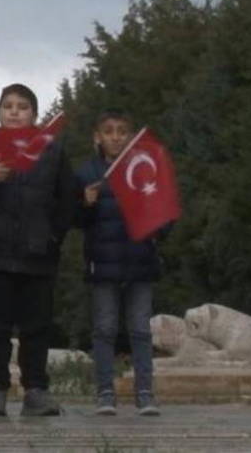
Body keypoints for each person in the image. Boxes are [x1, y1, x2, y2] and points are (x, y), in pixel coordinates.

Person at [0, 84, 78, 417]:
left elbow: (68, 198)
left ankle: (35, 390)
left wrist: (54, 236)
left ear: (34, 115)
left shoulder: (52, 150)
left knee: (36, 327)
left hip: (39, 254)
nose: (14, 111)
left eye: (22, 106)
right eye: (7, 106)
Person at [77, 109, 167, 416]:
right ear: (97, 137)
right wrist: (85, 204)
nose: (116, 136)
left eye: (122, 131)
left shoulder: (144, 170)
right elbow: (74, 220)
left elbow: (164, 218)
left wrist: (157, 222)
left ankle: (145, 394)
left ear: (130, 136)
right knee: (104, 330)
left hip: (140, 262)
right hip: (102, 265)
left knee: (141, 330)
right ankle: (105, 394)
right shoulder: (87, 173)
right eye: (109, 131)